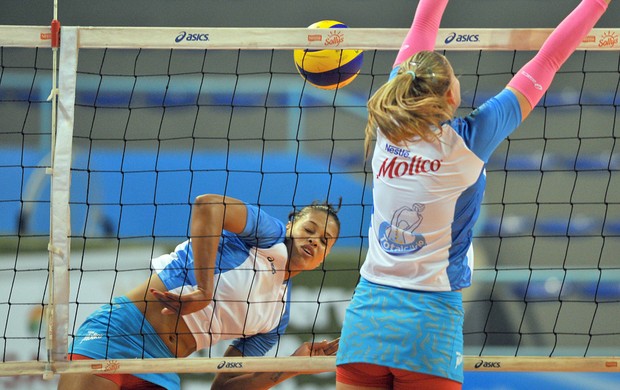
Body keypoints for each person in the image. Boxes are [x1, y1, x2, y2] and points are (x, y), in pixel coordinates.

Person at [336, 0, 612, 389]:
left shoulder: (385, 123)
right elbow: (548, 61)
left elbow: (424, 21)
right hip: (428, 322)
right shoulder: (468, 140)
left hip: (366, 317)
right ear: (449, 96)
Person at [58, 193, 341, 390]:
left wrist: (297, 364)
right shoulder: (268, 234)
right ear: (291, 226)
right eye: (310, 230)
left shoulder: (277, 317)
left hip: (163, 367)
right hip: (118, 334)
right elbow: (208, 205)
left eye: (325, 241)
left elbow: (226, 386)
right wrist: (204, 290)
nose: (315, 241)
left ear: (326, 255)